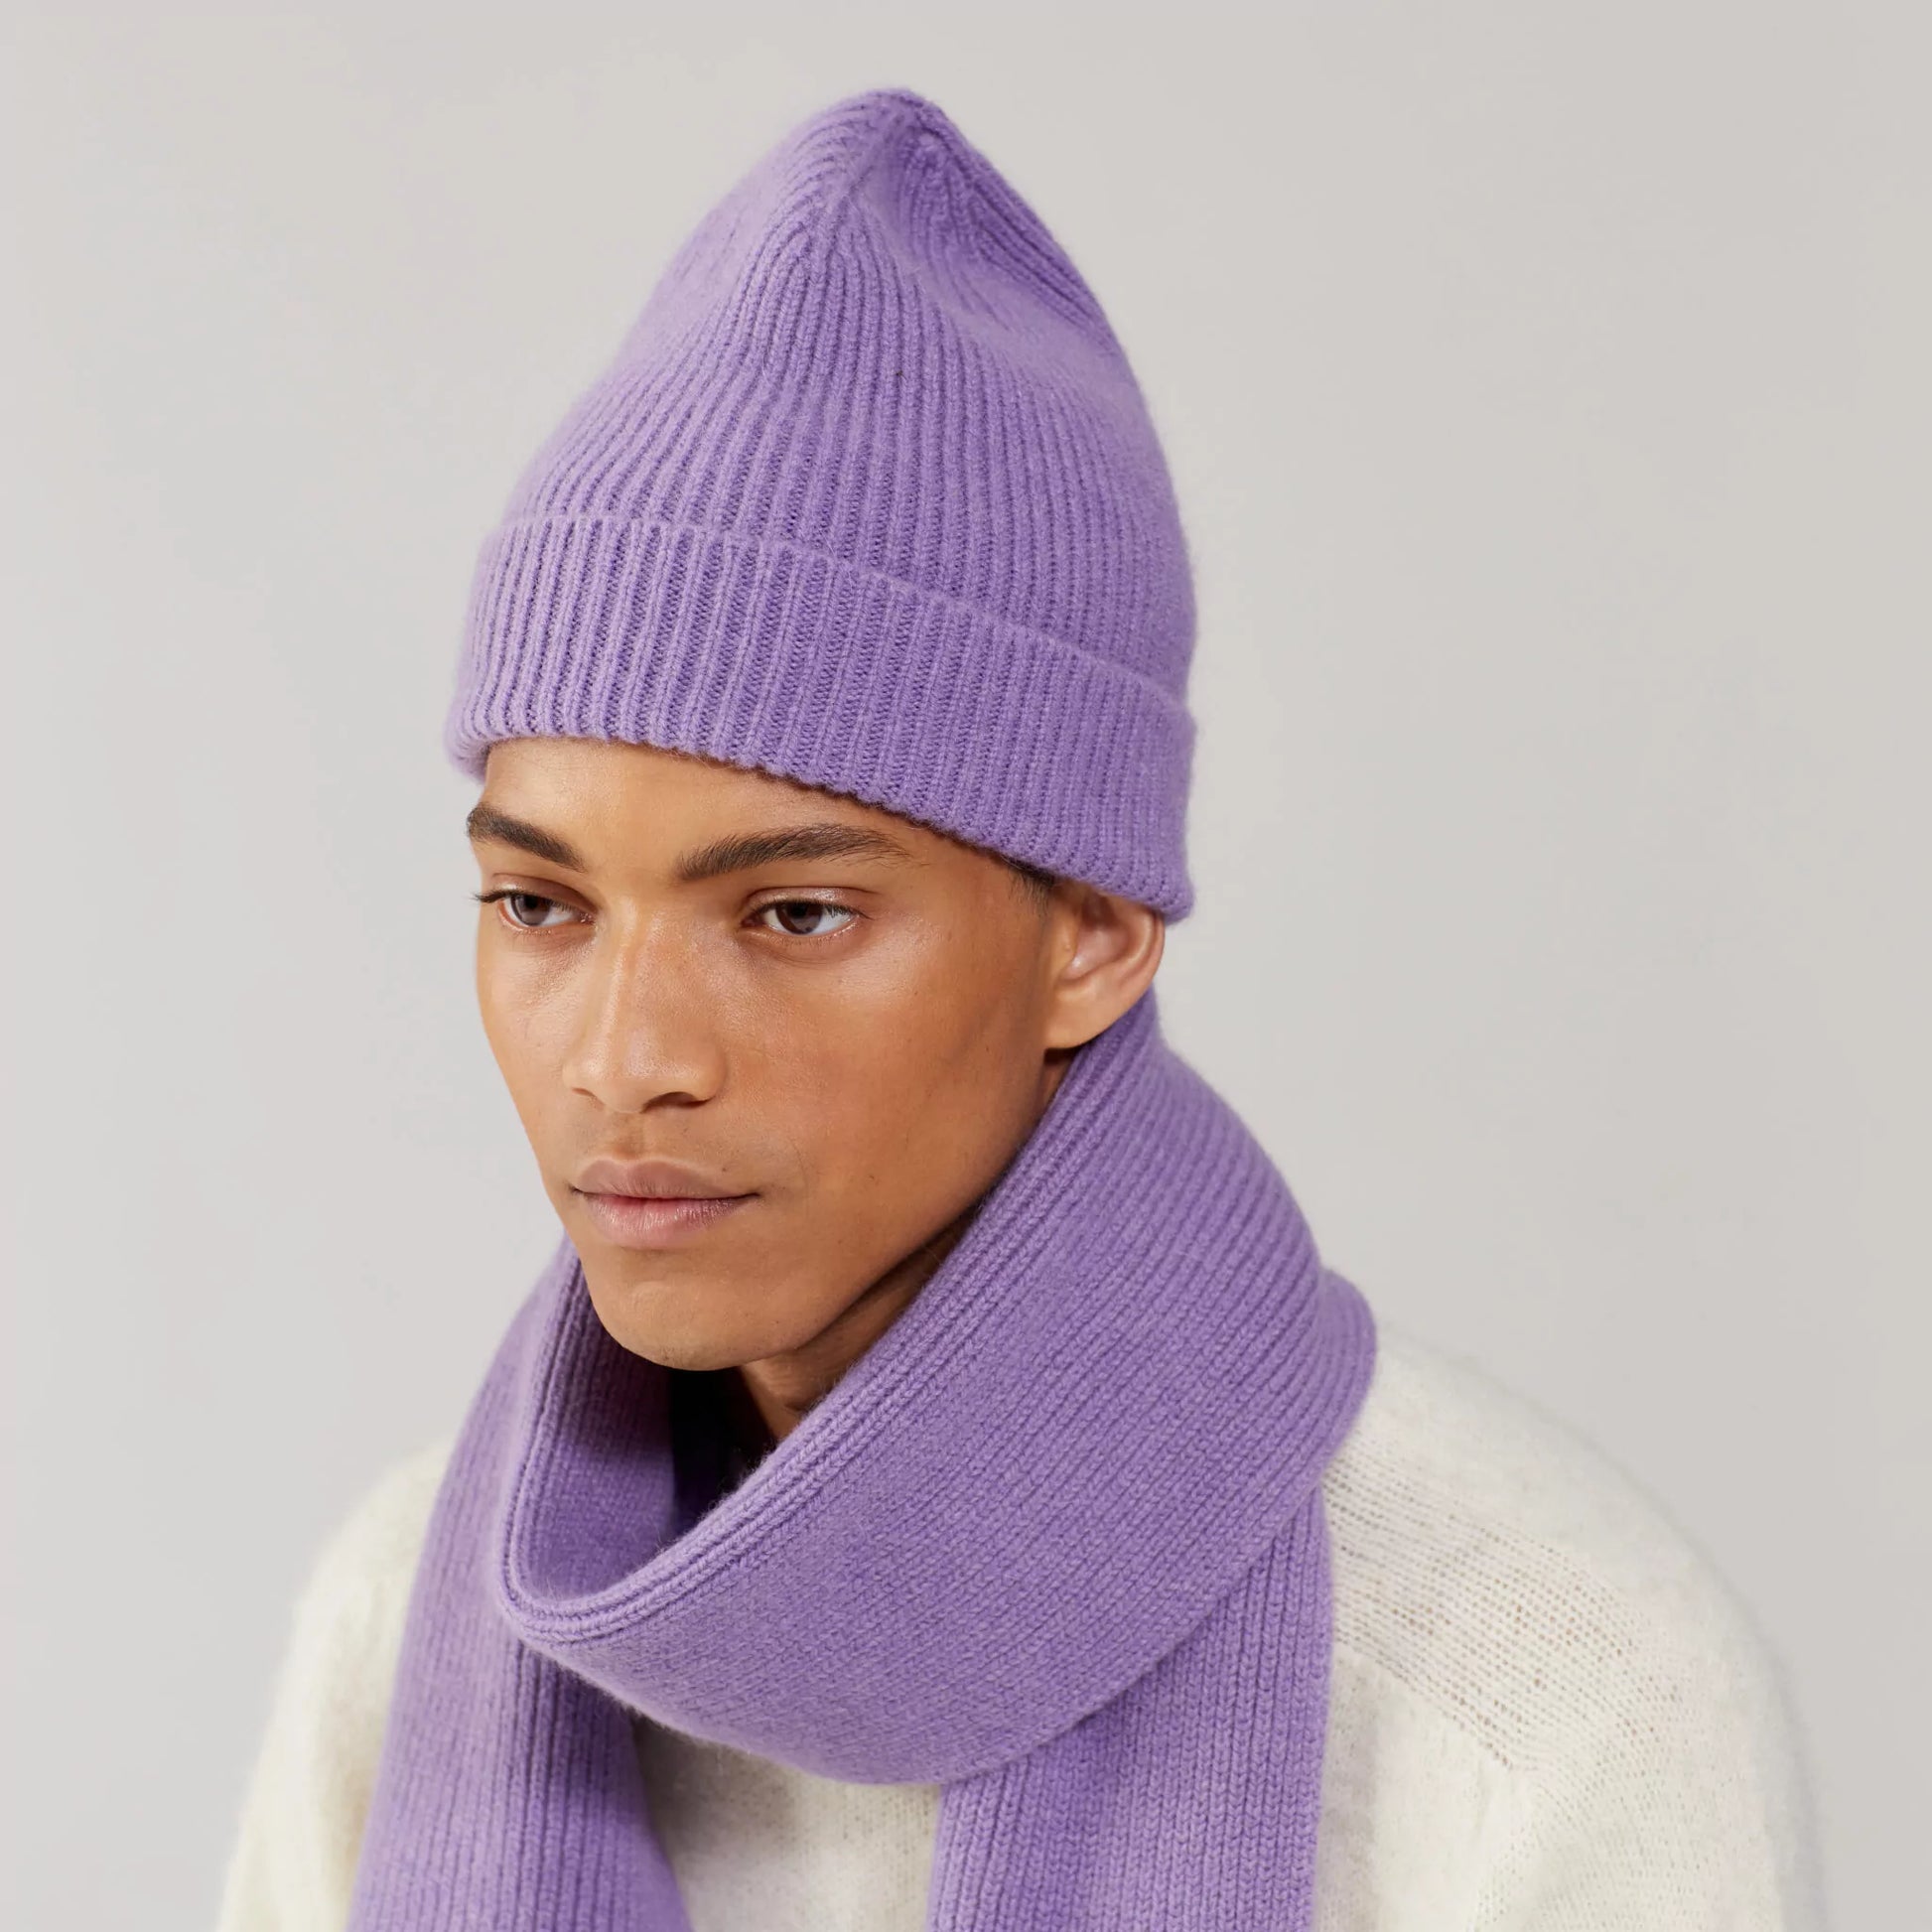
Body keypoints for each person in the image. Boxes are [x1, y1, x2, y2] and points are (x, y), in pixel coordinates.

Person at [212, 86, 1827, 1932]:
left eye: (793, 912)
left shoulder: (1534, 1695)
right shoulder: (404, 1624)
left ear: (1094, 936)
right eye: (539, 904)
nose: (622, 1058)